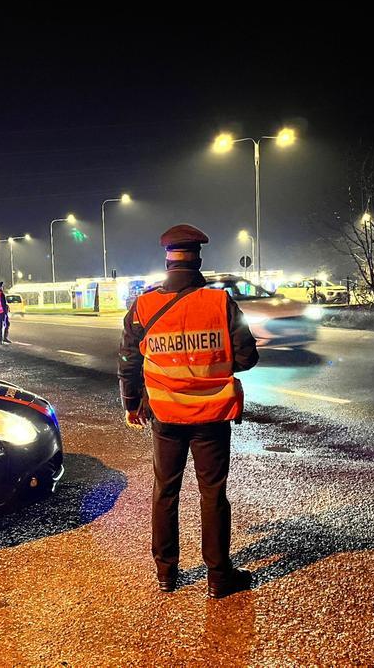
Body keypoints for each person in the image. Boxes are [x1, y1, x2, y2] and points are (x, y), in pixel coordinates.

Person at [118, 224, 259, 598]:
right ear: (199, 258)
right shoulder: (220, 303)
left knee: (166, 489)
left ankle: (167, 574)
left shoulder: (143, 305)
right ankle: (218, 577)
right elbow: (247, 356)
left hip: (165, 414)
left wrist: (133, 403)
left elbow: (129, 361)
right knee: (213, 493)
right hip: (212, 415)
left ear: (167, 259)